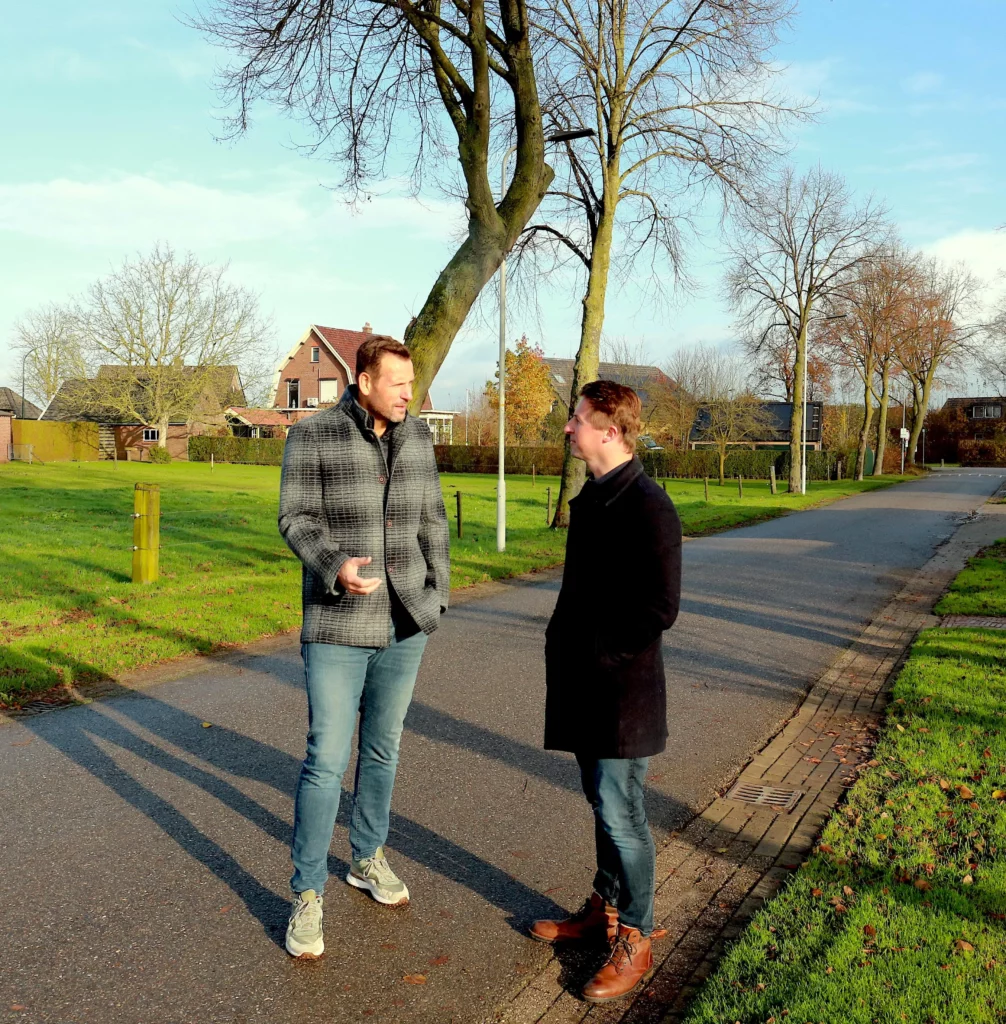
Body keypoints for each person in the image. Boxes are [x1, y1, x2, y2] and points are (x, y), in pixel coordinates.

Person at [277, 335, 450, 959]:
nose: (410, 392)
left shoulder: (419, 438)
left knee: (382, 749)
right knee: (326, 756)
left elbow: (434, 520)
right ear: (364, 380)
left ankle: (367, 857)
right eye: (399, 382)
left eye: (412, 382)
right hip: (336, 622)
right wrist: (333, 566)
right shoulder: (313, 435)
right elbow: (296, 518)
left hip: (406, 622)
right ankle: (307, 892)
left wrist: (438, 598)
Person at [530, 380, 682, 1002]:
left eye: (578, 419)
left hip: (622, 691)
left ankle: (637, 936)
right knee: (600, 799)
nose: (569, 428)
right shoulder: (591, 499)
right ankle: (606, 908)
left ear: (609, 431)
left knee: (623, 812)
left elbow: (659, 607)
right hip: (584, 683)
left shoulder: (648, 505)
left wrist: (602, 655)